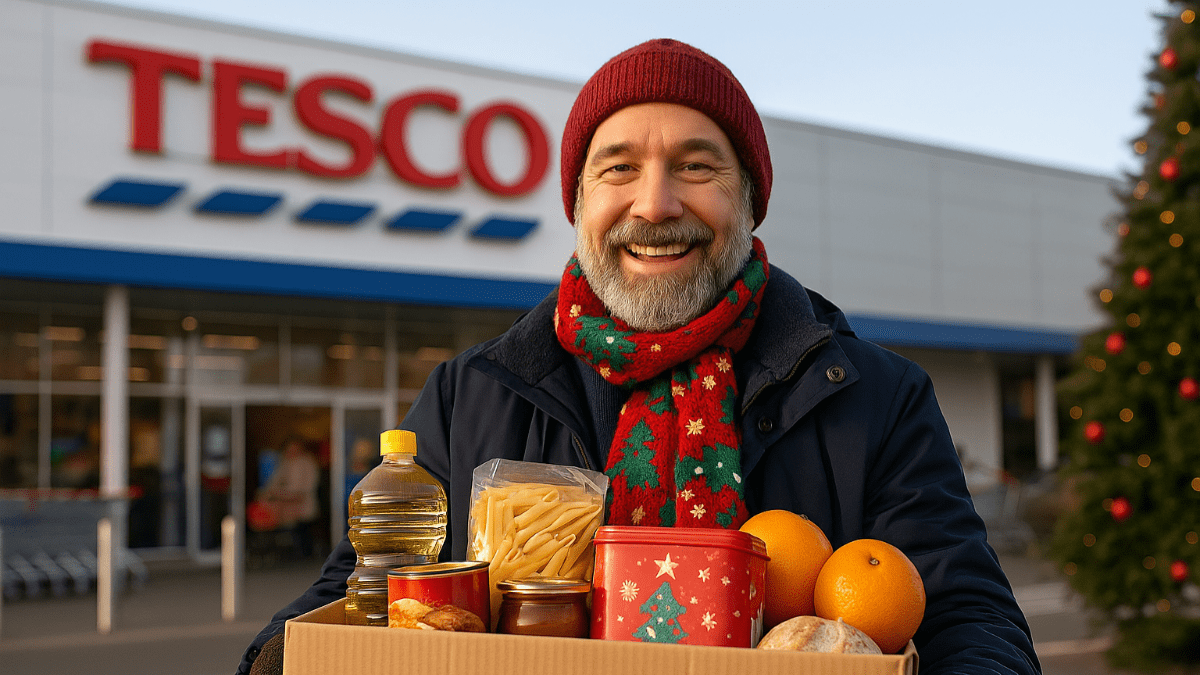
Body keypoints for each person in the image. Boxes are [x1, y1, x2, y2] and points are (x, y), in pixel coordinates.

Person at [237, 38, 1039, 675]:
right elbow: (358, 593)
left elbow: (968, 616)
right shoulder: (467, 394)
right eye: (618, 168)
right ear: (580, 204)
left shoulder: (876, 397)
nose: (655, 204)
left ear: (750, 199)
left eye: (696, 166)